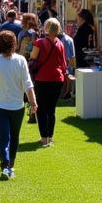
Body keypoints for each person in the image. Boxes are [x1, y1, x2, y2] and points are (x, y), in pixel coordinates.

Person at [0, 30, 38, 179]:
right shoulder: (20, 60)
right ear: (14, 44)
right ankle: (9, 164)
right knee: (14, 137)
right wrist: (33, 102)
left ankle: (6, 164)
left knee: (4, 137)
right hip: (16, 107)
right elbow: (28, 84)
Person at [29, 18, 69, 147]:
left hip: (42, 78)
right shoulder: (60, 44)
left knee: (41, 109)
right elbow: (63, 64)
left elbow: (32, 59)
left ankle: (44, 138)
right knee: (51, 110)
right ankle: (50, 137)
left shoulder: (39, 43)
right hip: (57, 79)